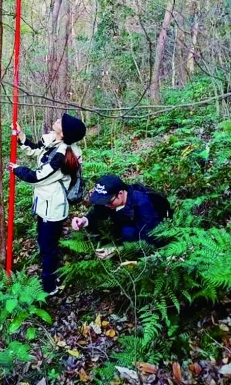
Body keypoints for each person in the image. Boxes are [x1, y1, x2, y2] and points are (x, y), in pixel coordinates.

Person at [9, 113, 86, 295]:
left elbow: (38, 177)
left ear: (65, 133)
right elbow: (37, 150)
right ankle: (54, 275)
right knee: (46, 244)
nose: (57, 120)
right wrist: (21, 136)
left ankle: (49, 285)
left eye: (61, 122)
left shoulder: (63, 156)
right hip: (45, 204)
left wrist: (17, 170)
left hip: (53, 208)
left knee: (47, 246)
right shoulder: (54, 142)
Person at [71, 174, 161, 257]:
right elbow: (97, 213)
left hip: (146, 231)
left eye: (108, 201)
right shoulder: (110, 200)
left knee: (127, 232)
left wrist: (120, 250)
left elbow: (150, 237)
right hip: (124, 226)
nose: (106, 205)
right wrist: (84, 220)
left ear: (120, 194)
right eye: (103, 201)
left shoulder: (142, 203)